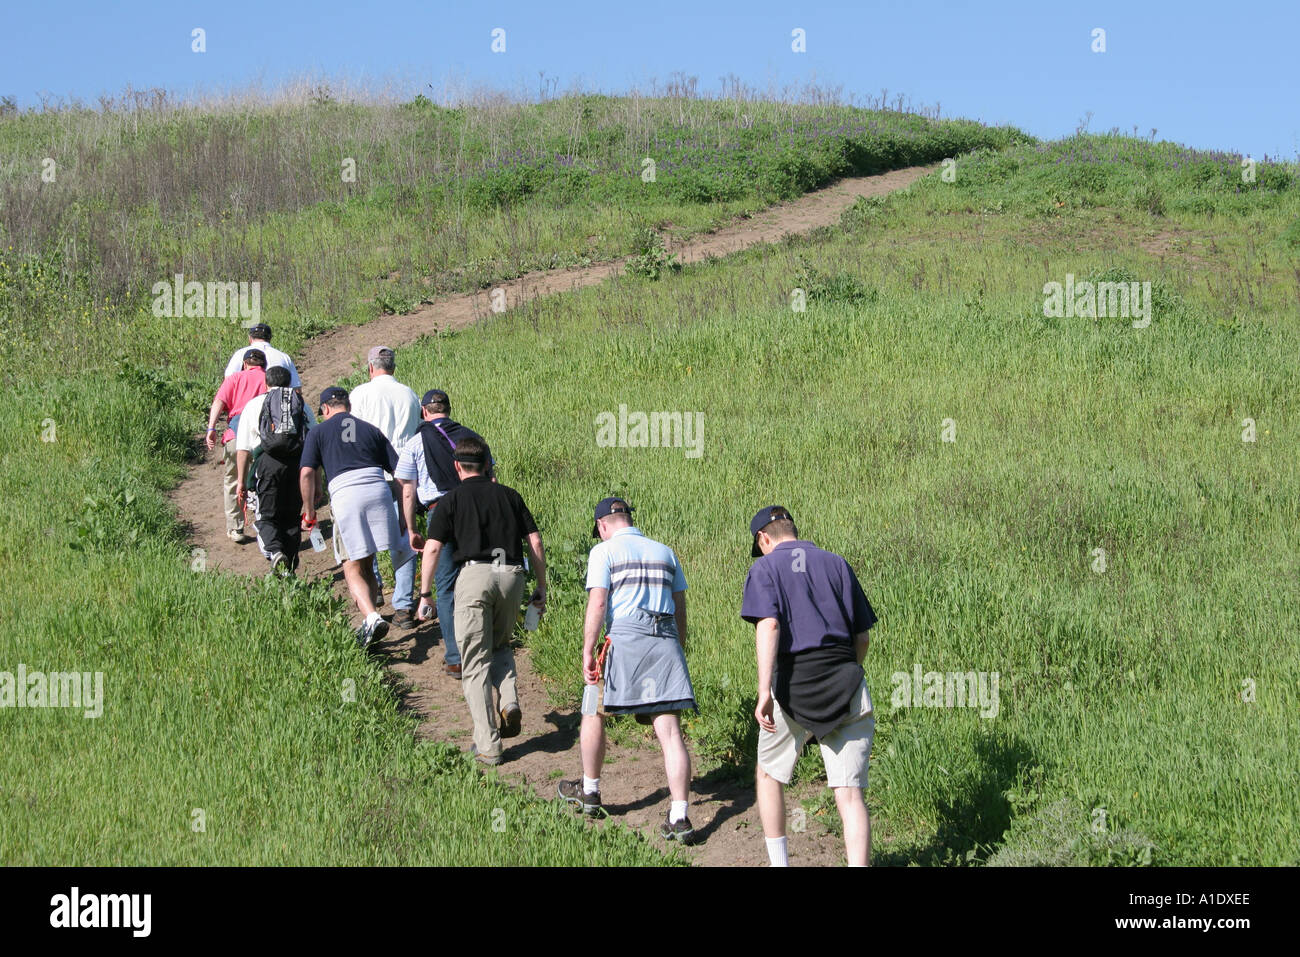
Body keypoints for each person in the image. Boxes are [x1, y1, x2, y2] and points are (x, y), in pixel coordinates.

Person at [740, 506, 877, 867]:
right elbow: (861, 637)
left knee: (769, 774)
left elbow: (768, 626)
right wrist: (849, 674)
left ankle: (780, 864)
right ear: (792, 530)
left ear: (763, 538)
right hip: (844, 679)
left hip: (792, 684)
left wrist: (764, 692)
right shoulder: (836, 563)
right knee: (850, 794)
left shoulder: (764, 568)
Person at [557, 498, 698, 845]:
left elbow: (599, 602)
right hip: (665, 638)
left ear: (603, 526)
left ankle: (590, 791)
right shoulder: (665, 552)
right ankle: (679, 816)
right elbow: (680, 608)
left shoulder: (603, 552)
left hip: (622, 637)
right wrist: (676, 647)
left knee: (594, 710)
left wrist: (587, 650)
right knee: (670, 731)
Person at [414, 436, 545, 766]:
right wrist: (541, 586)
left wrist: (425, 593)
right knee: (501, 645)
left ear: (457, 466)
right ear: (488, 465)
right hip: (511, 575)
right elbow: (534, 540)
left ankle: (488, 745)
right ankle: (510, 700)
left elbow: (432, 548)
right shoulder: (510, 495)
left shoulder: (451, 500)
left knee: (474, 663)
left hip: (475, 576)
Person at [299, 387, 417, 649]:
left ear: (325, 409)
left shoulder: (318, 431)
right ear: (348, 406)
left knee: (350, 565)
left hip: (346, 495)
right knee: (367, 560)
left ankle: (372, 616)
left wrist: (309, 511)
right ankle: (371, 616)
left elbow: (307, 473)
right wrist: (402, 513)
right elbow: (401, 473)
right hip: (378, 490)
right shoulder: (370, 429)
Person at [398, 388, 494, 678]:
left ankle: (455, 657)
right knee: (479, 576)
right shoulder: (472, 437)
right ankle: (486, 647)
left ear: (424, 412)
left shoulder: (415, 442)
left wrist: (412, 529)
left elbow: (407, 490)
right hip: (475, 508)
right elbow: (491, 477)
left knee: (447, 585)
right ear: (448, 409)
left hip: (440, 511)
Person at [349, 346, 423, 629]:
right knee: (404, 537)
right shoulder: (409, 394)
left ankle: (375, 588)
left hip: (370, 472)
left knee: (368, 536)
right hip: (403, 474)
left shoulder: (359, 395)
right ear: (393, 366)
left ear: (370, 367)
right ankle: (404, 605)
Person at [234, 366, 317, 575]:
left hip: (267, 465)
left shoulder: (254, 405)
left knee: (266, 516)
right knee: (291, 516)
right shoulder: (301, 404)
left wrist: (242, 482)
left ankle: (275, 551)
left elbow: (243, 449)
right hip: (297, 465)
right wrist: (316, 480)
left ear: (266, 384)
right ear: (290, 383)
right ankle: (289, 566)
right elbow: (313, 441)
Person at [205, 348, 267, 543]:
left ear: (244, 364)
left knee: (233, 481)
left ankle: (235, 528)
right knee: (265, 480)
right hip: (261, 438)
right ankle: (265, 524)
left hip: (236, 435)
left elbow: (219, 402)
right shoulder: (268, 379)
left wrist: (211, 428)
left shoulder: (233, 379)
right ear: (263, 365)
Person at [222, 322, 301, 389]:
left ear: (250, 338)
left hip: (245, 403)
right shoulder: (284, 357)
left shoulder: (239, 354)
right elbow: (296, 388)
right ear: (270, 338)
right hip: (276, 404)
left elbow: (228, 381)